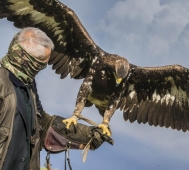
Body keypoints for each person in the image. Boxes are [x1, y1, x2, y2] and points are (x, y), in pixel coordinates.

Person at [0, 27, 112, 170]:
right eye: (41, 64)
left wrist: (86, 134)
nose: (43, 68)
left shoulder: (29, 87)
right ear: (28, 61)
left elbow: (43, 124)